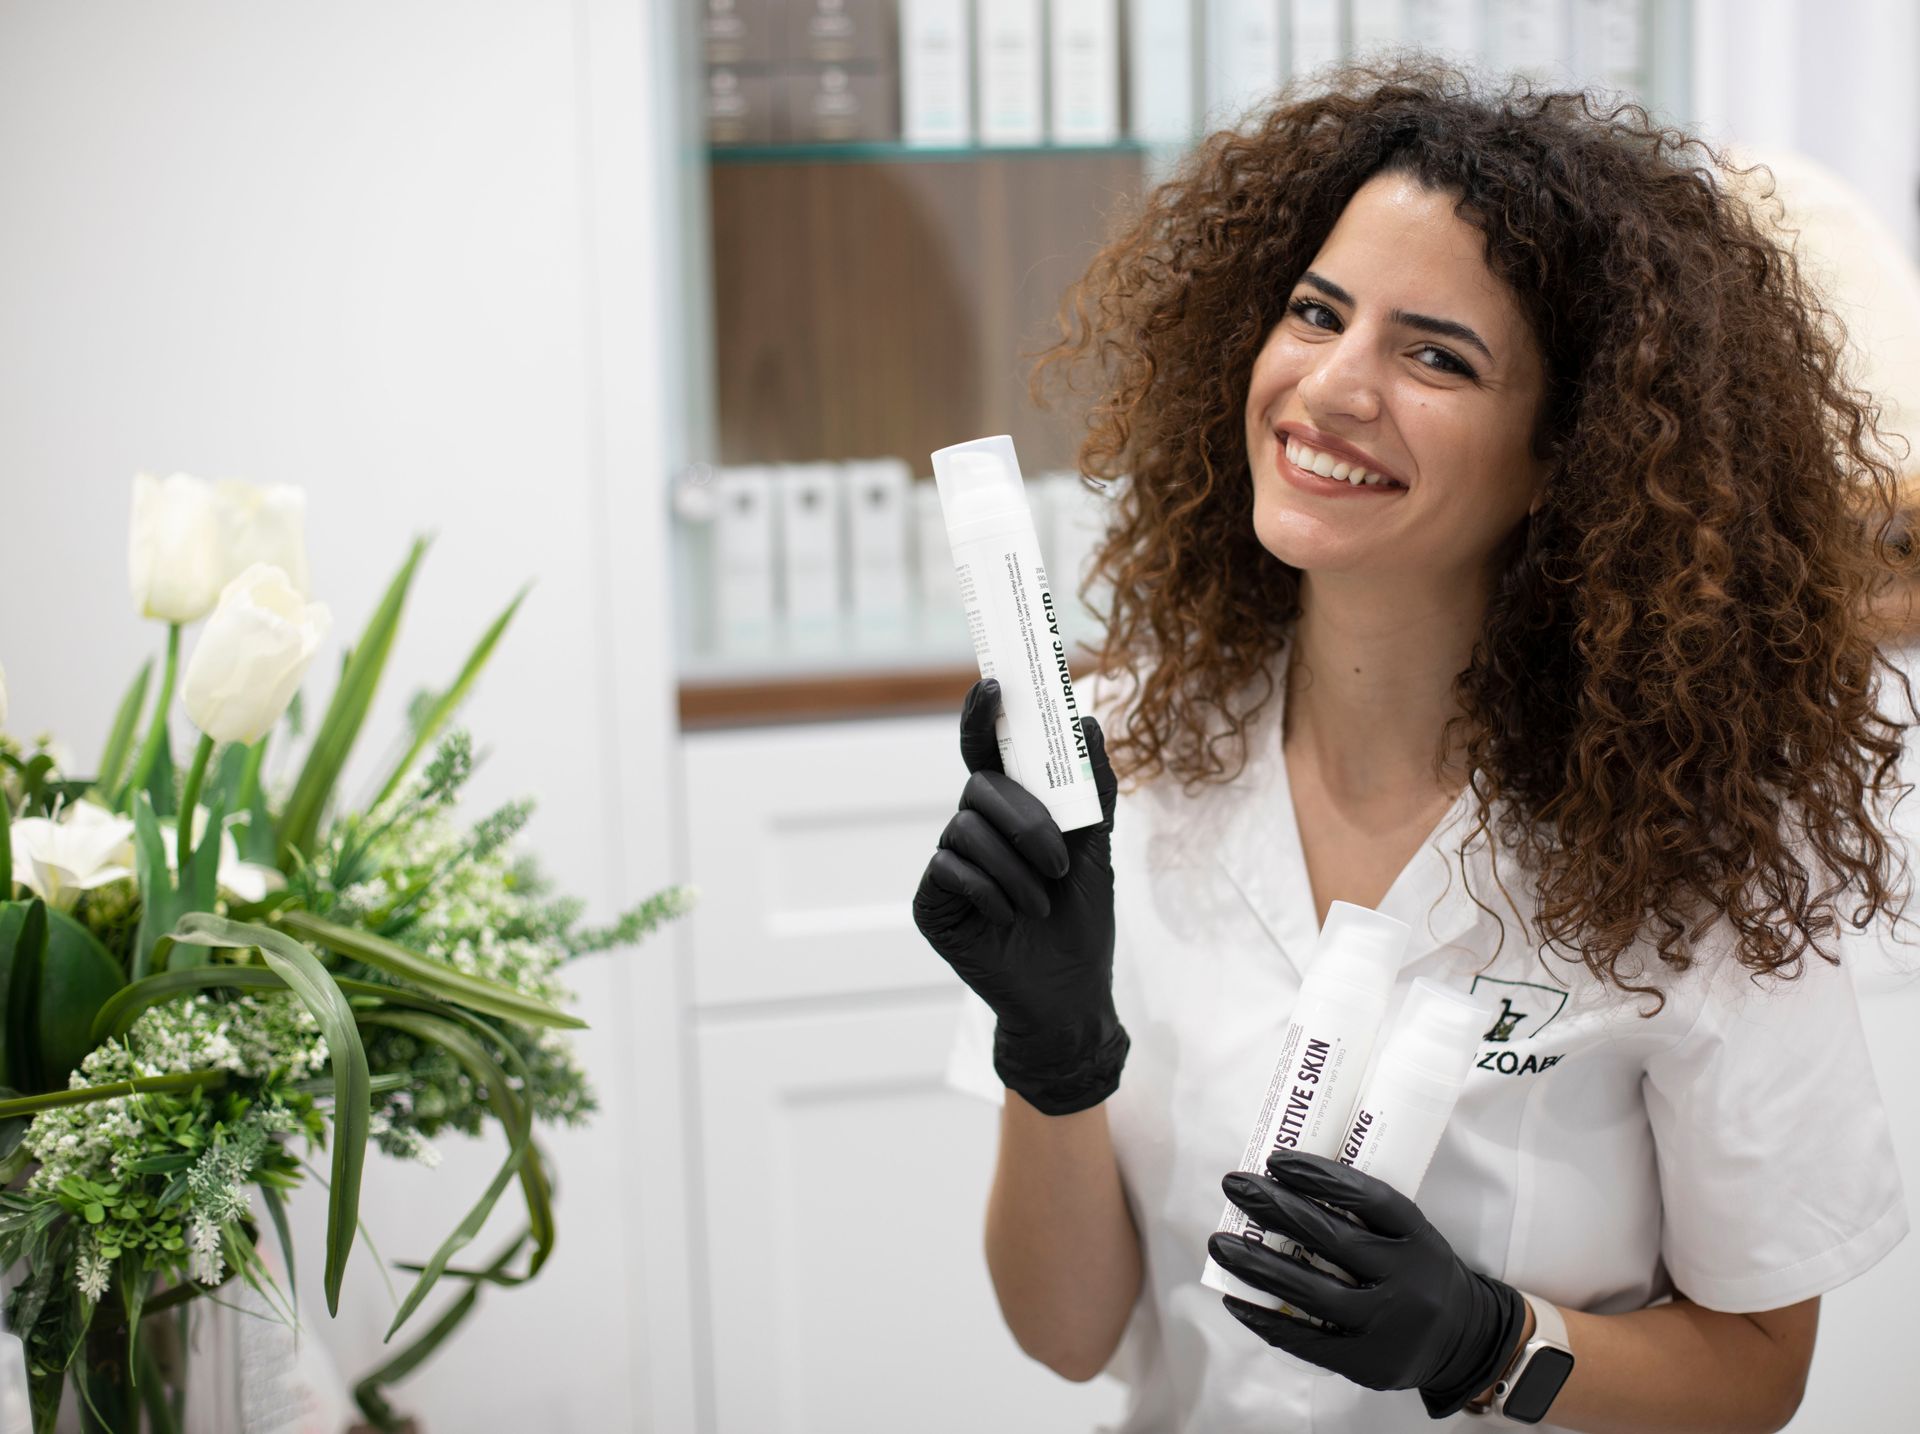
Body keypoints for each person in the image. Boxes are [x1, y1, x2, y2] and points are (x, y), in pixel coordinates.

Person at [912, 61, 1917, 1433]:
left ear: (1570, 451)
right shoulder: (1127, 754)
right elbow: (1068, 1333)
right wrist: (1054, 1047)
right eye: (1317, 313)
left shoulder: (1698, 835)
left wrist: (1484, 1342)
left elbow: (1756, 1371)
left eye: (1435, 354)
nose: (1330, 385)